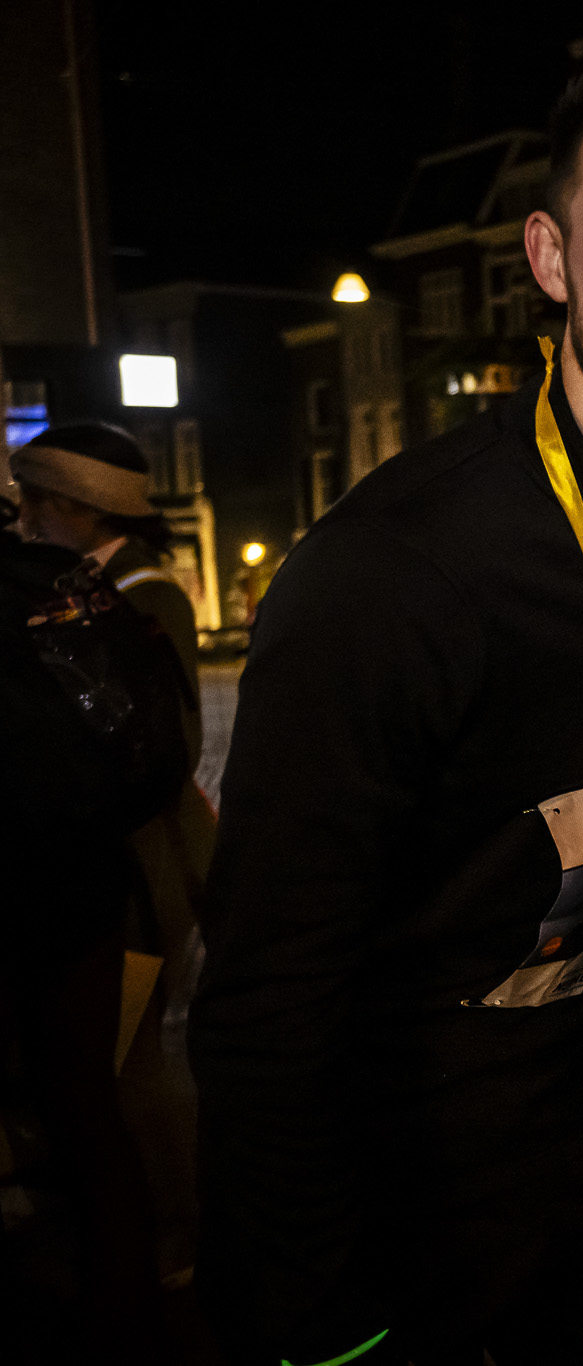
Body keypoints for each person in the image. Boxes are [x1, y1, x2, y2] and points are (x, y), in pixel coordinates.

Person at [189, 62, 583, 1366]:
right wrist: (319, 1326)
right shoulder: (391, 571)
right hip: (408, 1191)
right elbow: (263, 996)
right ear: (550, 256)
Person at [11, 421, 214, 1280]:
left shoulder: (134, 592)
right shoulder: (102, 585)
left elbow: (167, 741)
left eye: (37, 501)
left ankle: (176, 1234)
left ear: (80, 505)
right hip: (129, 853)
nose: (25, 519)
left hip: (144, 859)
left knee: (131, 1057)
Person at [1, 490, 185, 1359]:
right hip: (84, 886)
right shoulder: (48, 582)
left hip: (23, 889)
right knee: (88, 1107)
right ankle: (129, 1307)